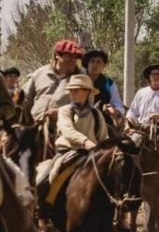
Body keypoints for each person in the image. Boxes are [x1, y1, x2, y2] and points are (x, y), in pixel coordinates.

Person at [35, 73, 112, 208]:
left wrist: (104, 150)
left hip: (92, 154)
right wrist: (86, 142)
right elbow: (68, 131)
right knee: (44, 180)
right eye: (71, 90)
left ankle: (121, 218)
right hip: (68, 152)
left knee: (116, 179)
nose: (72, 93)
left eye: (76, 90)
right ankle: (42, 215)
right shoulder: (65, 111)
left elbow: (103, 136)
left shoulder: (96, 113)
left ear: (87, 92)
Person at [21, 39, 83, 126]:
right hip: (35, 127)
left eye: (75, 57)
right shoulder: (40, 73)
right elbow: (26, 100)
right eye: (69, 56)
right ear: (57, 55)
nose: (73, 60)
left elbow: (86, 108)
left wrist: (62, 112)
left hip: (64, 129)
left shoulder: (81, 78)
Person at [82, 48, 125, 121]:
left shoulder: (109, 83)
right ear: (87, 63)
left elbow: (119, 106)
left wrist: (114, 111)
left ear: (103, 66)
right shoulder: (79, 79)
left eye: (98, 62)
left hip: (103, 122)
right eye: (92, 61)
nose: (95, 64)